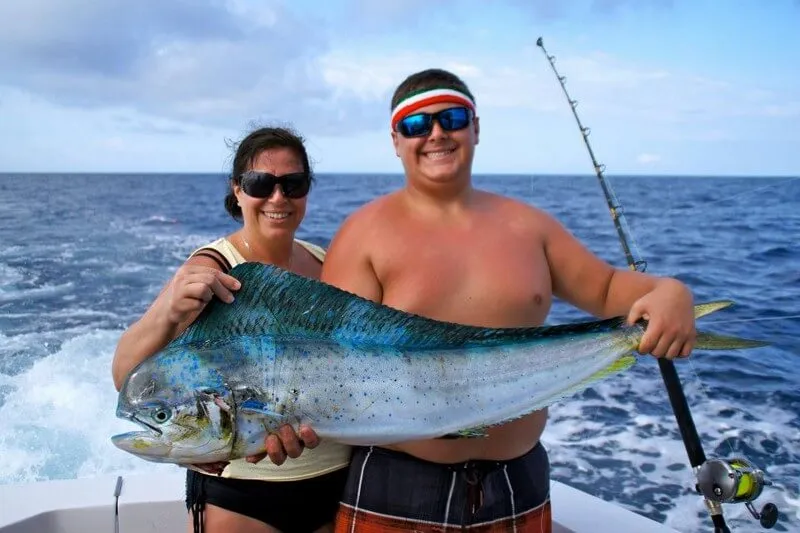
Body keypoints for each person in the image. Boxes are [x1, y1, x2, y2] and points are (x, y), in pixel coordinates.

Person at [319, 69, 697, 532]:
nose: (436, 134)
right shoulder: (361, 235)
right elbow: (330, 368)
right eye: (417, 125)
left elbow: (605, 290)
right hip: (395, 486)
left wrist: (670, 292)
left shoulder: (530, 226)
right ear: (396, 140)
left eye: (451, 118)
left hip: (518, 484)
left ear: (475, 127)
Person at [111, 126, 351, 533]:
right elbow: (125, 378)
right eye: (261, 184)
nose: (278, 197)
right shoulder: (211, 267)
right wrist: (168, 311)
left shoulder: (326, 262)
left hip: (335, 485)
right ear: (237, 190)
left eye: (293, 184)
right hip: (244, 496)